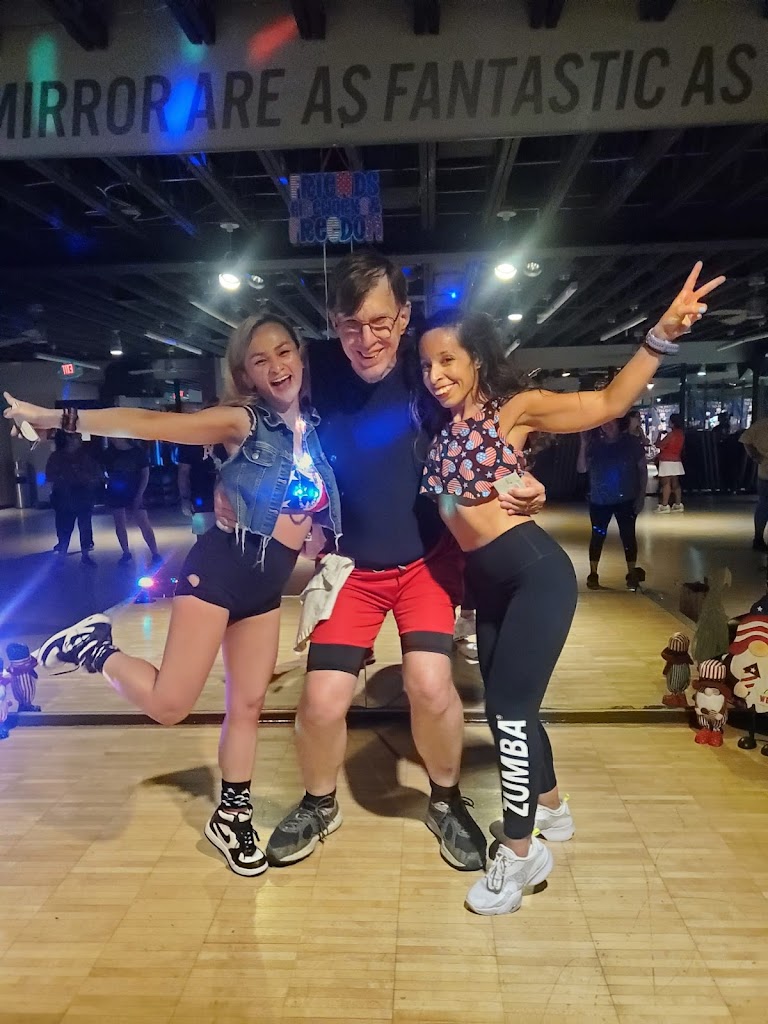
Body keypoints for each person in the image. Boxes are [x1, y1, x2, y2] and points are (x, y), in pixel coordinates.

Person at [214, 253, 548, 873]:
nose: (365, 339)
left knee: (430, 684)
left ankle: (445, 800)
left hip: (425, 565)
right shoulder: (315, 367)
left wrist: (521, 478)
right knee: (321, 701)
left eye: (378, 323)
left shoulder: (431, 370)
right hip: (352, 569)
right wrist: (228, 477)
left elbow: (493, 425)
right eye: (349, 325)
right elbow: (253, 410)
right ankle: (319, 803)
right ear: (333, 324)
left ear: (402, 317)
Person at [417, 261, 723, 914]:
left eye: (447, 360)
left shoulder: (512, 410)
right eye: (427, 365)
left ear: (475, 360)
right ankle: (551, 807)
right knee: (510, 711)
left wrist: (661, 336)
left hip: (534, 575)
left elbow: (609, 403)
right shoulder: (440, 435)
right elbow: (454, 514)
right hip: (488, 586)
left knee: (510, 712)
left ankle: (520, 853)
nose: (436, 374)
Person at [3, 315, 342, 878]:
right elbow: (151, 423)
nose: (277, 367)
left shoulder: (312, 428)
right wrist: (55, 416)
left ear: (300, 357)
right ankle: (93, 647)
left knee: (248, 707)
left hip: (265, 586)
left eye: (285, 352)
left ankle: (231, 816)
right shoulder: (242, 421)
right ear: (245, 374)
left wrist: (318, 536)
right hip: (219, 572)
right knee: (169, 706)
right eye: (260, 360)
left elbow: (306, 507)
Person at [576, 415, 648, 591]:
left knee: (628, 536)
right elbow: (581, 468)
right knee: (597, 535)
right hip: (600, 500)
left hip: (626, 498)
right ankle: (593, 573)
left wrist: (641, 496)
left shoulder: (631, 443)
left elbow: (642, 470)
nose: (606, 425)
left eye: (610, 421)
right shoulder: (594, 444)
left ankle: (631, 573)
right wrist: (583, 444)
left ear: (619, 422)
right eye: (603, 422)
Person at [45, 431, 103, 565]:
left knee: (82, 525)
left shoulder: (83, 456)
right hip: (66, 496)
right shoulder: (58, 457)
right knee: (66, 525)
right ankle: (66, 552)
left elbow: (96, 473)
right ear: (68, 438)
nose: (81, 440)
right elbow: (51, 476)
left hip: (80, 495)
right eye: (78, 437)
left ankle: (82, 554)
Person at [102, 438, 161, 564]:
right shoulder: (109, 453)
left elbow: (145, 474)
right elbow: (104, 471)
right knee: (120, 523)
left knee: (143, 522)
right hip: (117, 490)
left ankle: (155, 552)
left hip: (133, 489)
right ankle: (126, 552)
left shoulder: (137, 452)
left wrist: (140, 494)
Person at [177, 435, 226, 535]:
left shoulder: (189, 440)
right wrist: (185, 498)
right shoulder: (188, 441)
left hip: (213, 493)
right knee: (205, 534)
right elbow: (183, 472)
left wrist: (185, 498)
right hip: (203, 494)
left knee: (208, 535)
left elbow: (183, 472)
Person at [739, 416, 768, 552]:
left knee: (763, 504)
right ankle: (758, 539)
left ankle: (758, 538)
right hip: (765, 471)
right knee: (764, 504)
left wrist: (756, 456)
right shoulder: (762, 425)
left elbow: (746, 440)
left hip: (765, 471)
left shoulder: (761, 425)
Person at [656, 413, 686, 513]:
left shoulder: (671, 434)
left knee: (666, 483)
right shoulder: (681, 434)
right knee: (675, 483)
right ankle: (678, 504)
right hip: (676, 460)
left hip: (666, 460)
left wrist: (659, 435)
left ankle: (664, 505)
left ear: (673, 423)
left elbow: (659, 445)